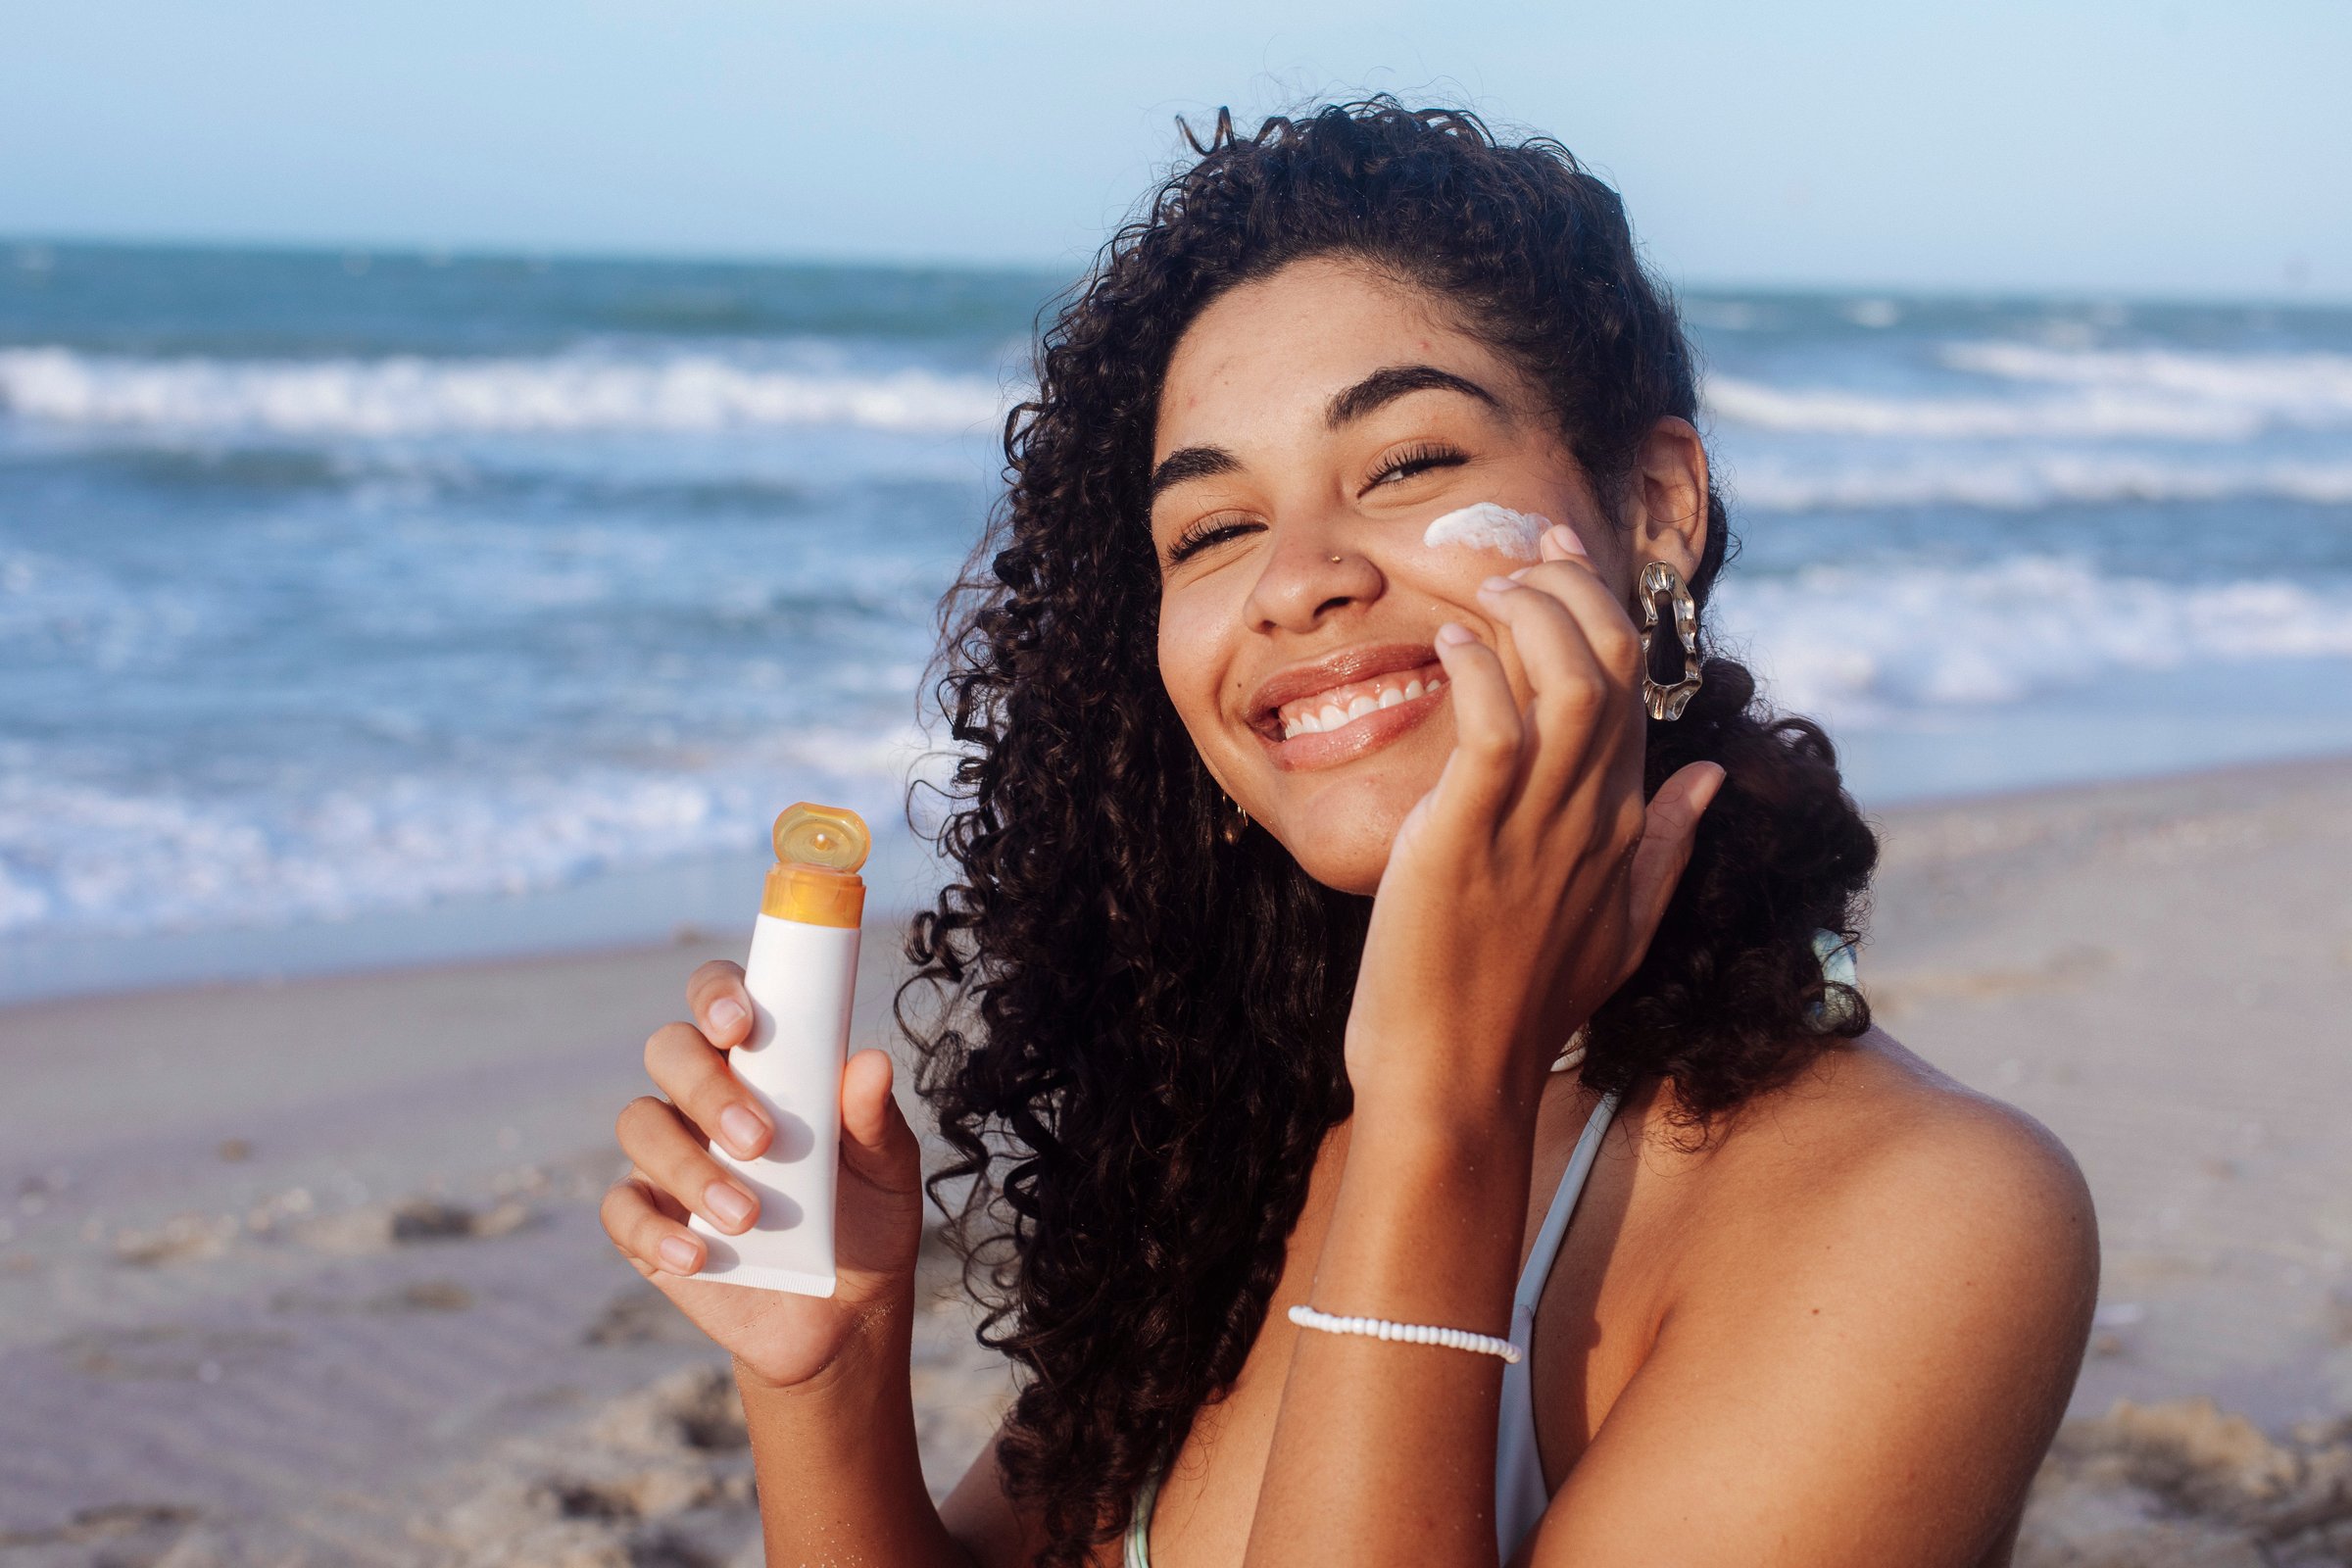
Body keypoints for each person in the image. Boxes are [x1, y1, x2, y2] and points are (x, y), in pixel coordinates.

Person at [601, 101, 2097, 1567]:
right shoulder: (1256, 1143)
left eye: (1404, 465)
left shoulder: (1925, 1217)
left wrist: (1446, 1099)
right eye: (1210, 531)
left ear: (1651, 508)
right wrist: (830, 1374)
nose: (1294, 579)